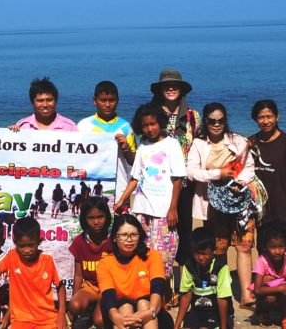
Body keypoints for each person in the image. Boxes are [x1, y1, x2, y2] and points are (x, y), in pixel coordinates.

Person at [186, 102, 257, 310]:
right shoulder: (198, 145)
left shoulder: (238, 141)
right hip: (212, 205)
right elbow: (191, 172)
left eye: (220, 120)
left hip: (240, 202)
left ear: (225, 120)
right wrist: (218, 174)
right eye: (211, 121)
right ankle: (222, 292)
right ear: (205, 122)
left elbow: (249, 167)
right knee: (218, 249)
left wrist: (240, 182)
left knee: (244, 246)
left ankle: (246, 294)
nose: (216, 124)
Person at [114, 102, 185, 280]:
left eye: (153, 123)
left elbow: (178, 178)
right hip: (141, 209)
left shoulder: (172, 145)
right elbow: (135, 177)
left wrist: (173, 208)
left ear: (160, 122)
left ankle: (163, 292)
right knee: (142, 251)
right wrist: (122, 200)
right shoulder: (143, 146)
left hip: (163, 211)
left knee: (163, 254)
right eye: (145, 125)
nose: (149, 128)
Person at [0, 217, 68, 329]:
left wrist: (61, 314)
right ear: (15, 243)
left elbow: (60, 286)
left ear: (39, 241)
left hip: (46, 319)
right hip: (20, 320)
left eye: (31, 245)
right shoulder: (12, 256)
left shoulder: (47, 260)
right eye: (22, 246)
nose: (27, 250)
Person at [149, 69, 202, 265]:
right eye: (166, 85)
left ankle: (184, 283)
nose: (171, 88)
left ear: (181, 89)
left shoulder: (192, 116)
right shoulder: (152, 115)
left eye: (175, 85)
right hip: (157, 184)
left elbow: (200, 145)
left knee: (184, 231)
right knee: (159, 231)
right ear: (160, 89)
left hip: (185, 184)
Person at [249, 100, 286, 256]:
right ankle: (266, 280)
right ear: (255, 119)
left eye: (269, 116)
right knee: (264, 248)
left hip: (285, 206)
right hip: (261, 207)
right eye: (261, 117)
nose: (266, 121)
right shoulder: (251, 142)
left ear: (277, 117)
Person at [96, 214, 165, 329]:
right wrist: (118, 318)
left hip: (153, 311)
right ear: (114, 237)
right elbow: (108, 297)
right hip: (120, 310)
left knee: (144, 304)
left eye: (133, 235)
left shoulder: (152, 256)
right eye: (123, 235)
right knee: (125, 308)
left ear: (140, 236)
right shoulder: (105, 264)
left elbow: (158, 288)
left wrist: (150, 312)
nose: (129, 239)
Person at [76, 81, 137, 202]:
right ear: (95, 101)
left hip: (119, 185)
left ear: (118, 101)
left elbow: (134, 162)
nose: (108, 104)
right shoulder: (83, 126)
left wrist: (126, 149)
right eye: (103, 100)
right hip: (90, 181)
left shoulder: (125, 127)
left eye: (112, 100)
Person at [174, 227, 234, 329]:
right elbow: (186, 296)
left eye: (204, 253)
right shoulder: (189, 266)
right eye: (196, 253)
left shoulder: (221, 268)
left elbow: (222, 298)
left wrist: (223, 327)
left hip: (216, 312)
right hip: (197, 311)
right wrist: (176, 325)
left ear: (213, 250)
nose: (200, 258)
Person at [68, 197, 113, 328]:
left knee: (100, 321)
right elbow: (78, 275)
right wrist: (72, 304)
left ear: (107, 217)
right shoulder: (79, 241)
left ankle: (96, 312)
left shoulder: (113, 241)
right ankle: (89, 310)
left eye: (100, 217)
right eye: (91, 218)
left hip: (109, 287)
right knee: (75, 306)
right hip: (91, 287)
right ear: (84, 219)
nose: (96, 222)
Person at [250, 227, 286, 328]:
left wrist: (271, 281)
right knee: (270, 298)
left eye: (281, 247)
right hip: (268, 293)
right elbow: (257, 290)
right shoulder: (262, 261)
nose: (277, 251)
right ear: (265, 247)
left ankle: (285, 317)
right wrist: (279, 287)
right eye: (272, 247)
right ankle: (263, 312)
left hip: (282, 291)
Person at [9, 77, 78, 131]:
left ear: (56, 100)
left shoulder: (70, 127)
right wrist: (10, 133)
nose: (45, 105)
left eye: (49, 100)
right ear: (32, 102)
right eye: (40, 101)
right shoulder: (22, 126)